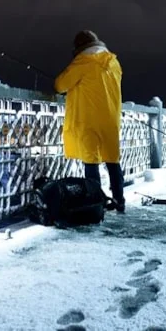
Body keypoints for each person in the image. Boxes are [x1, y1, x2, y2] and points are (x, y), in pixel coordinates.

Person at [54, 30, 125, 213]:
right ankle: (119, 201)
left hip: (88, 120)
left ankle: (97, 204)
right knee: (113, 161)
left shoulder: (82, 62)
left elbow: (61, 85)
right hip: (110, 119)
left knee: (90, 162)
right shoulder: (113, 62)